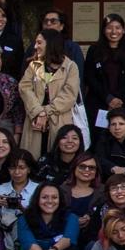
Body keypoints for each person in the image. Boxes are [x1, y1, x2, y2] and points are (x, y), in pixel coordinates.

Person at [17, 30, 81, 159]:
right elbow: (24, 88)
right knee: (32, 160)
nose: (35, 46)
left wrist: (45, 112)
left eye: (39, 42)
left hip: (59, 121)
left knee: (57, 157)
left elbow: (69, 96)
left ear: (51, 44)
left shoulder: (70, 66)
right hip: (35, 121)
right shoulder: (35, 65)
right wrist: (38, 112)